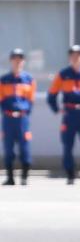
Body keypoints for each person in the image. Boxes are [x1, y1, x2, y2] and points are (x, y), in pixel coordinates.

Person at [47, 44, 80, 185]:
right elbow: (51, 95)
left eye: (78, 56)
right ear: (69, 58)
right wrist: (56, 109)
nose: (75, 59)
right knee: (67, 145)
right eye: (72, 56)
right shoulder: (63, 75)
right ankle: (70, 174)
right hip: (70, 114)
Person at [1, 48, 35, 186]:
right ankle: (10, 177)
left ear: (23, 61)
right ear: (11, 60)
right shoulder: (4, 80)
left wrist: (24, 113)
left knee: (25, 147)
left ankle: (25, 177)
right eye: (15, 58)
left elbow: (30, 100)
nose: (17, 62)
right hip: (8, 119)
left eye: (20, 59)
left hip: (22, 119)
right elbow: (1, 100)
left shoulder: (28, 80)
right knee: (8, 148)